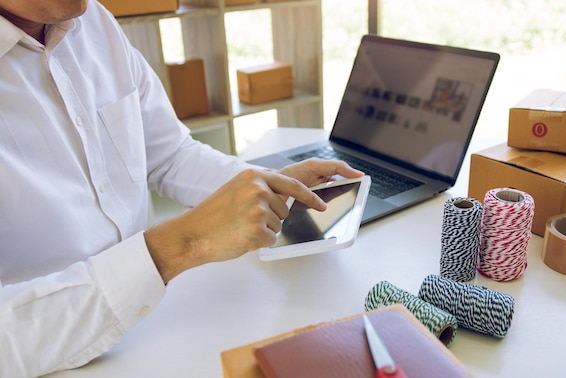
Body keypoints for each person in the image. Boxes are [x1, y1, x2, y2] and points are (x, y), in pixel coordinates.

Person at [0, 1, 363, 376]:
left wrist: (266, 182)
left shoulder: (93, 22)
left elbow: (169, 153)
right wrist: (178, 247)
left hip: (158, 319)